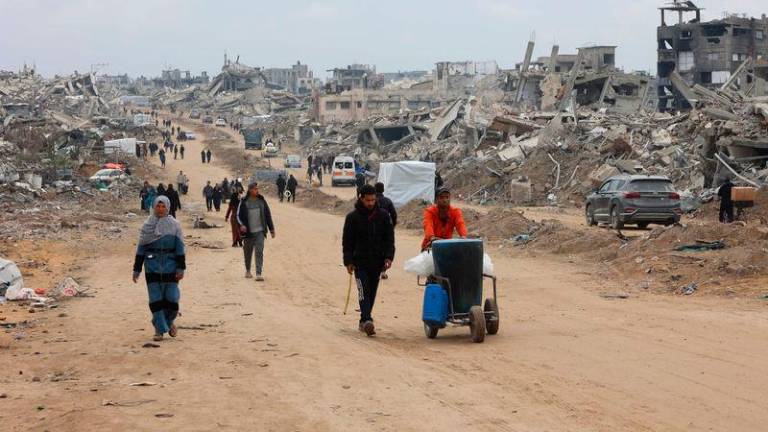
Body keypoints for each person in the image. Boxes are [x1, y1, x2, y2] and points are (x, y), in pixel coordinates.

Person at [342, 184, 395, 336]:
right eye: (368, 200)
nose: (371, 203)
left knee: (372, 292)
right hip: (360, 262)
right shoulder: (352, 218)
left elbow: (389, 239)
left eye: (373, 200)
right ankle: (367, 319)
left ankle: (363, 321)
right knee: (363, 290)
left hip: (377, 262)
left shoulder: (384, 216)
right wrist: (348, 261)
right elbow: (347, 241)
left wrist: (389, 257)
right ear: (361, 199)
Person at [132, 196, 186, 342]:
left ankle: (168, 322)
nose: (160, 209)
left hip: (170, 266)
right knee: (156, 301)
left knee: (172, 300)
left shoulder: (175, 225)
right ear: (154, 207)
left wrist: (181, 268)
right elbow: (141, 248)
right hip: (152, 267)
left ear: (167, 207)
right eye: (158, 206)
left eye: (163, 206)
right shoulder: (147, 225)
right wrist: (137, 269)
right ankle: (159, 331)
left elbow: (180, 247)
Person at [237, 182, 276, 281]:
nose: (257, 190)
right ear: (250, 190)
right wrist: (241, 225)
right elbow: (238, 215)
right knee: (248, 253)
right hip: (248, 232)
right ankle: (248, 270)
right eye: (255, 189)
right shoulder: (244, 201)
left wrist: (271, 229)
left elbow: (267, 214)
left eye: (257, 189)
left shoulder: (261, 201)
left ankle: (258, 273)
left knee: (259, 251)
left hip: (260, 231)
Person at [375, 182, 397, 280]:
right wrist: (392, 226)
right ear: (383, 190)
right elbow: (394, 215)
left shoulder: (371, 201)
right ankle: (383, 271)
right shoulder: (388, 201)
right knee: (386, 250)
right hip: (385, 229)